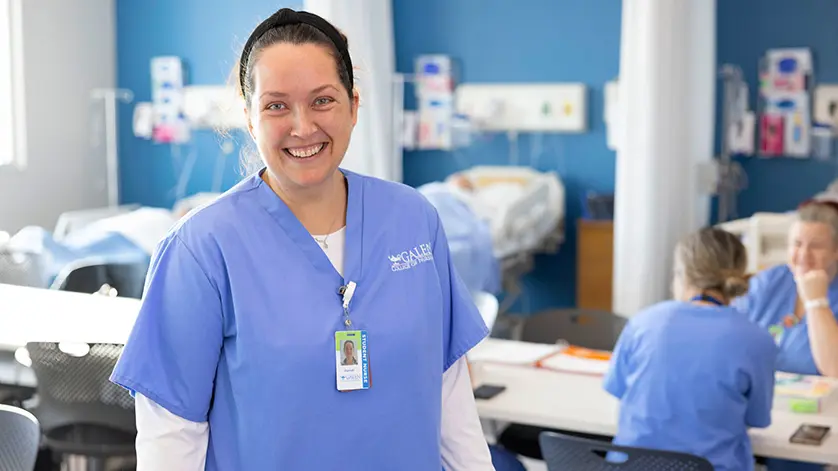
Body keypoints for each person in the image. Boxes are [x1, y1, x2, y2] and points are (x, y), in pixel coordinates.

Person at [109, 8, 494, 471]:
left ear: (354, 106)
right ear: (250, 118)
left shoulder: (413, 220)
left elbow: (451, 396)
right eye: (275, 105)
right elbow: (170, 436)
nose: (302, 126)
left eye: (322, 100)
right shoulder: (202, 248)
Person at [603, 227, 778, 471]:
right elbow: (757, 419)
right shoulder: (756, 339)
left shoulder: (643, 322)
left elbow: (618, 389)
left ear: (681, 274)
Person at [731, 199, 838, 471]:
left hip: (821, 421)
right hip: (762, 412)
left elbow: (834, 368)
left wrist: (815, 302)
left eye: (815, 245)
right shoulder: (770, 282)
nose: (803, 255)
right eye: (797, 244)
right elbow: (728, 336)